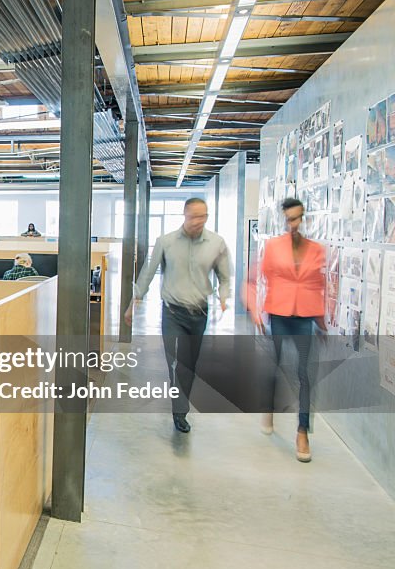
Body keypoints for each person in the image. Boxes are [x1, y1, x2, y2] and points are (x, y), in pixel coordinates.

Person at [126, 197, 231, 433]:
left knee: (189, 366)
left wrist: (224, 296)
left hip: (200, 313)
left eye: (203, 216)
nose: (198, 221)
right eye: (194, 216)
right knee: (178, 362)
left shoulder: (217, 243)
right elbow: (147, 272)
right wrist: (134, 301)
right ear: (184, 215)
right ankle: (180, 411)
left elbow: (224, 276)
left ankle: (180, 404)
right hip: (172, 313)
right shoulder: (166, 242)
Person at [250, 198, 323, 462]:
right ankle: (268, 407)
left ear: (304, 218)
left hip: (305, 317)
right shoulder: (273, 247)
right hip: (279, 313)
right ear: (284, 220)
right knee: (274, 367)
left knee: (305, 374)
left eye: (298, 218)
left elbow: (319, 284)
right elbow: (253, 278)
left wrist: (322, 320)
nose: (294, 224)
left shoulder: (316, 250)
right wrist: (255, 309)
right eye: (290, 219)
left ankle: (302, 431)